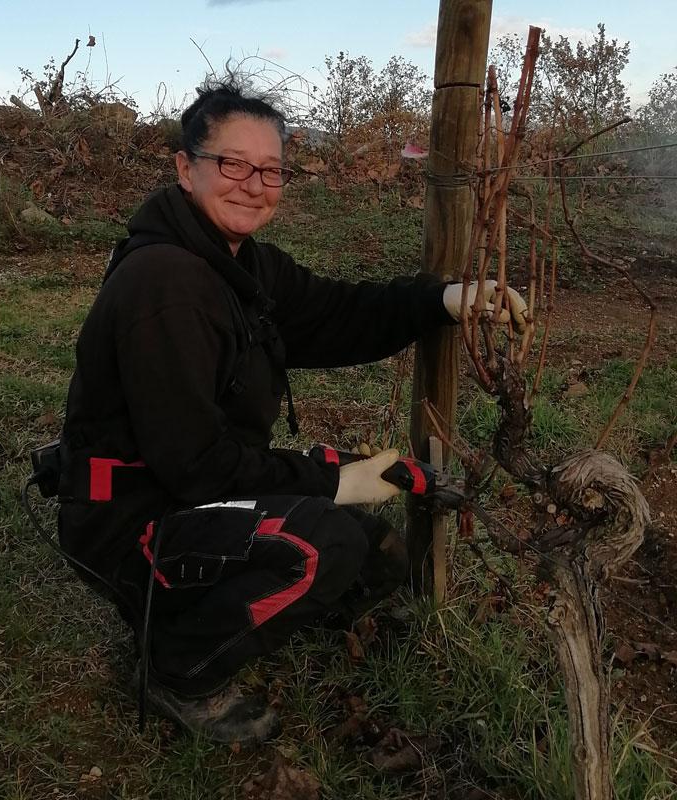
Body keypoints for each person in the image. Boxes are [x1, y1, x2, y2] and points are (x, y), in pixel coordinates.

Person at [58, 77, 527, 745]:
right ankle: (177, 664)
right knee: (319, 543)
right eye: (233, 164)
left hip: (192, 492)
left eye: (271, 170)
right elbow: (197, 468)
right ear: (185, 168)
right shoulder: (163, 285)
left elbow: (337, 312)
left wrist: (446, 299)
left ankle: (254, 614)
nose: (254, 183)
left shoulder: (240, 265)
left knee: (373, 550)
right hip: (129, 519)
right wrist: (336, 479)